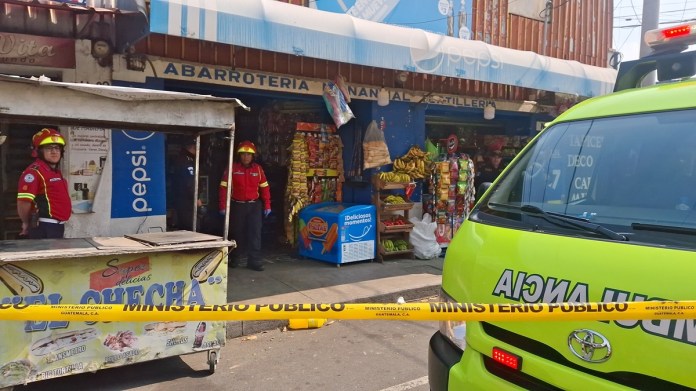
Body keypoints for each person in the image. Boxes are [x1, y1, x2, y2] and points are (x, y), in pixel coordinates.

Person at [219, 141, 271, 271]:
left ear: (253, 156)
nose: (246, 157)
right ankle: (234, 259)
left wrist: (267, 205)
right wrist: (222, 206)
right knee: (237, 233)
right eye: (243, 154)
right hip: (237, 205)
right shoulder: (232, 168)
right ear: (239, 155)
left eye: (249, 154)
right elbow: (223, 188)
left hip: (255, 206)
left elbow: (265, 188)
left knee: (255, 234)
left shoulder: (258, 169)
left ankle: (254, 261)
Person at [17, 128, 71, 239]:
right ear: (38, 151)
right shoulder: (33, 172)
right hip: (43, 226)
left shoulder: (54, 171)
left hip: (57, 226)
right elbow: (23, 201)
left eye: (57, 148)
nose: (54, 151)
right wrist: (26, 222)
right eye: (49, 148)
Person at [171, 139, 202, 231]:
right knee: (193, 228)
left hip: (180, 200)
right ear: (193, 147)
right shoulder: (188, 161)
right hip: (187, 202)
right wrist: (196, 198)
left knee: (184, 228)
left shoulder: (181, 158)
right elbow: (190, 182)